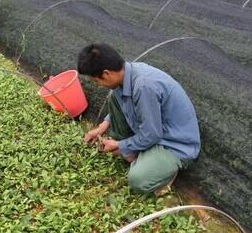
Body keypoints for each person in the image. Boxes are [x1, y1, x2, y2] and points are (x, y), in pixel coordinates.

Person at [78, 43, 201, 195]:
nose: (98, 85)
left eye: (97, 81)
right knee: (113, 97)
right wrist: (102, 127)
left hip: (174, 143)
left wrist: (119, 144)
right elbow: (123, 104)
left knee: (138, 180)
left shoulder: (144, 86)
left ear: (106, 73)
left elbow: (152, 135)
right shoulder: (125, 75)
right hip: (155, 129)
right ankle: (135, 151)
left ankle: (163, 170)